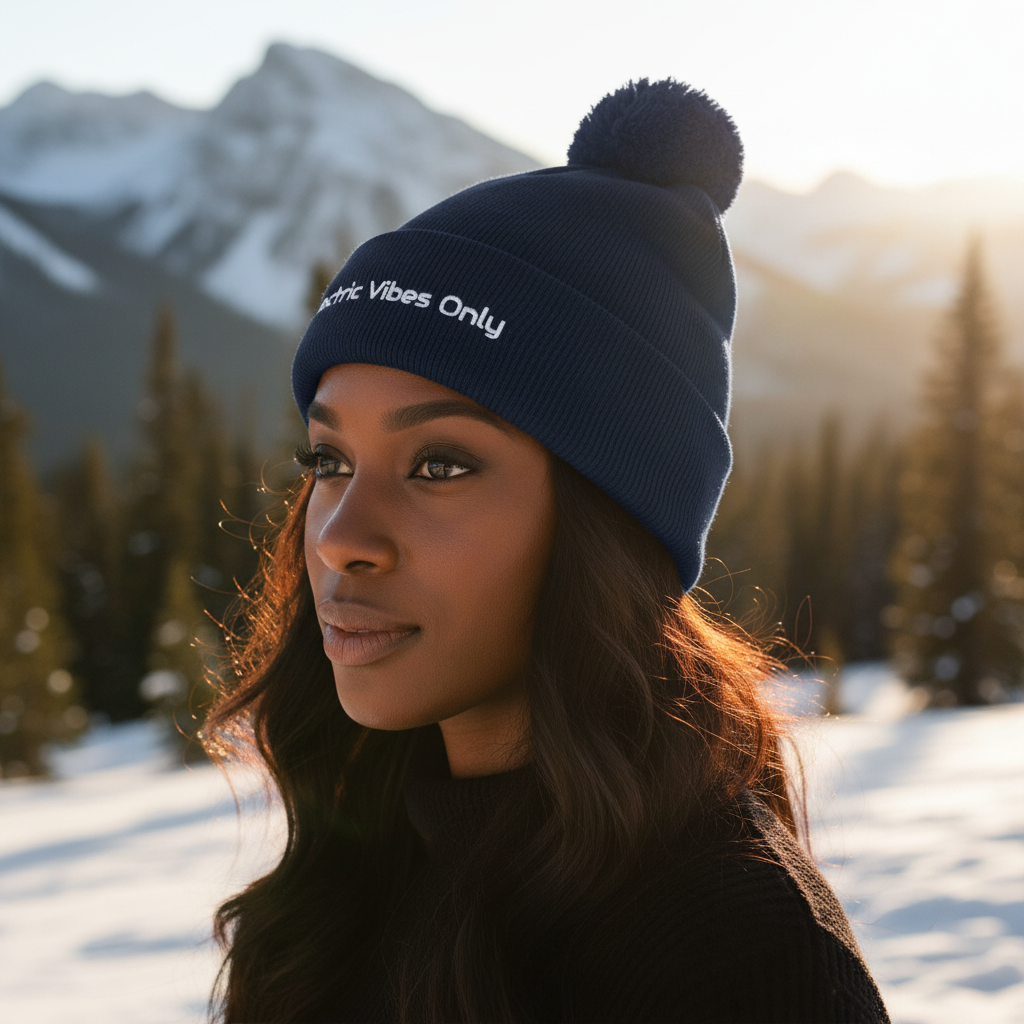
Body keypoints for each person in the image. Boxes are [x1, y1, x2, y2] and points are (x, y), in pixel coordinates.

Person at [204, 79, 890, 1023]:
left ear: (605, 522)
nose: (339, 538)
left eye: (439, 464)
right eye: (328, 459)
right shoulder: (353, 871)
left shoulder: (731, 955)